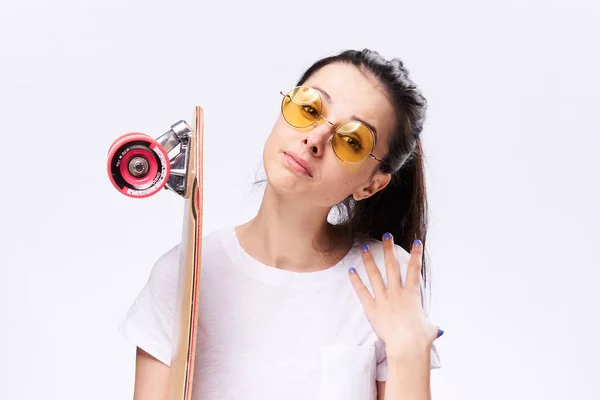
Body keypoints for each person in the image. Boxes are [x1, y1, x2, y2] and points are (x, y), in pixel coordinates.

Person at [118, 48, 443, 400]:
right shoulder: (182, 276)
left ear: (371, 184)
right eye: (309, 109)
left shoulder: (385, 277)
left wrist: (410, 352)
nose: (315, 139)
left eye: (351, 141)